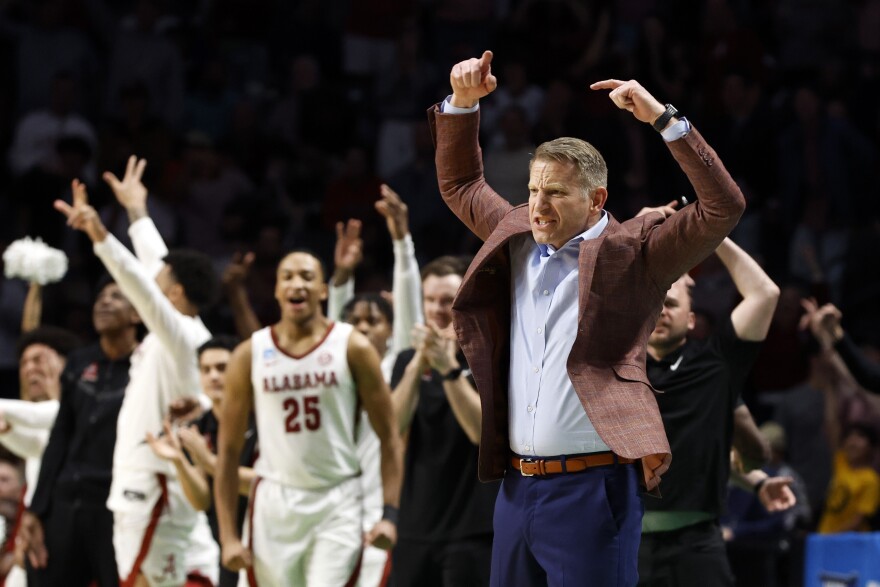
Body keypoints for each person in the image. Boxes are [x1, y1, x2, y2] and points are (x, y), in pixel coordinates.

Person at [431, 50, 746, 585]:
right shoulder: (514, 235)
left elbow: (723, 207)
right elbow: (460, 184)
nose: (537, 205)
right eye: (533, 190)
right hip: (515, 487)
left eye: (555, 192)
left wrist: (665, 121)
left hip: (592, 488)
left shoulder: (636, 250)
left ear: (597, 199)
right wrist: (461, 105)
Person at [54, 156, 220, 587]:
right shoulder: (185, 332)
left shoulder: (181, 333)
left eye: (161, 279)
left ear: (176, 293)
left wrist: (100, 236)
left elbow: (143, 287)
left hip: (153, 490)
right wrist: (137, 211)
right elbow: (155, 267)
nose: (154, 276)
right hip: (158, 488)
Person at [214, 250, 403, 585]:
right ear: (276, 290)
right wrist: (228, 537)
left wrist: (389, 514)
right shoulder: (250, 354)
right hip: (273, 500)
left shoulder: (352, 347)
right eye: (287, 277)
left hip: (337, 498)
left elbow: (389, 436)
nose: (296, 284)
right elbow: (227, 452)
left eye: (306, 276)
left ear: (323, 290)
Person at [636, 236, 780, 586]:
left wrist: (711, 232)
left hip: (697, 545)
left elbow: (765, 294)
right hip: (627, 544)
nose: (661, 311)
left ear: (691, 320)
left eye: (670, 303)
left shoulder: (717, 363)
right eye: (653, 303)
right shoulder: (614, 370)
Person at [328, 183, 423, 587]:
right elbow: (333, 326)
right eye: (356, 321)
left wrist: (402, 241)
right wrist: (342, 275)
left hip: (376, 508)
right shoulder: (333, 365)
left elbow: (409, 308)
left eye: (374, 320)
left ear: (391, 328)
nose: (362, 327)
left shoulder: (394, 364)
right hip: (328, 505)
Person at [18, 279, 139, 586]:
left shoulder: (147, 365)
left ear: (138, 313)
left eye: (116, 296)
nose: (104, 303)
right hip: (64, 501)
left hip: (116, 507)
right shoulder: (79, 361)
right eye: (100, 296)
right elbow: (60, 436)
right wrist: (36, 510)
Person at [388, 255, 498, 587]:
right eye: (430, 300)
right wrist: (420, 361)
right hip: (413, 527)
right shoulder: (407, 361)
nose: (436, 309)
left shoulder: (487, 357)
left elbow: (482, 434)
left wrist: (448, 370)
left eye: (446, 300)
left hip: (473, 529)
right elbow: (392, 426)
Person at [0, 327, 78, 587]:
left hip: (78, 536)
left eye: (39, 359)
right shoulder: (38, 425)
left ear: (65, 364)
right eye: (23, 362)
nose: (30, 368)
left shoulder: (84, 409)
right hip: (37, 538)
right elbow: (39, 447)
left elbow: (54, 416)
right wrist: (7, 431)